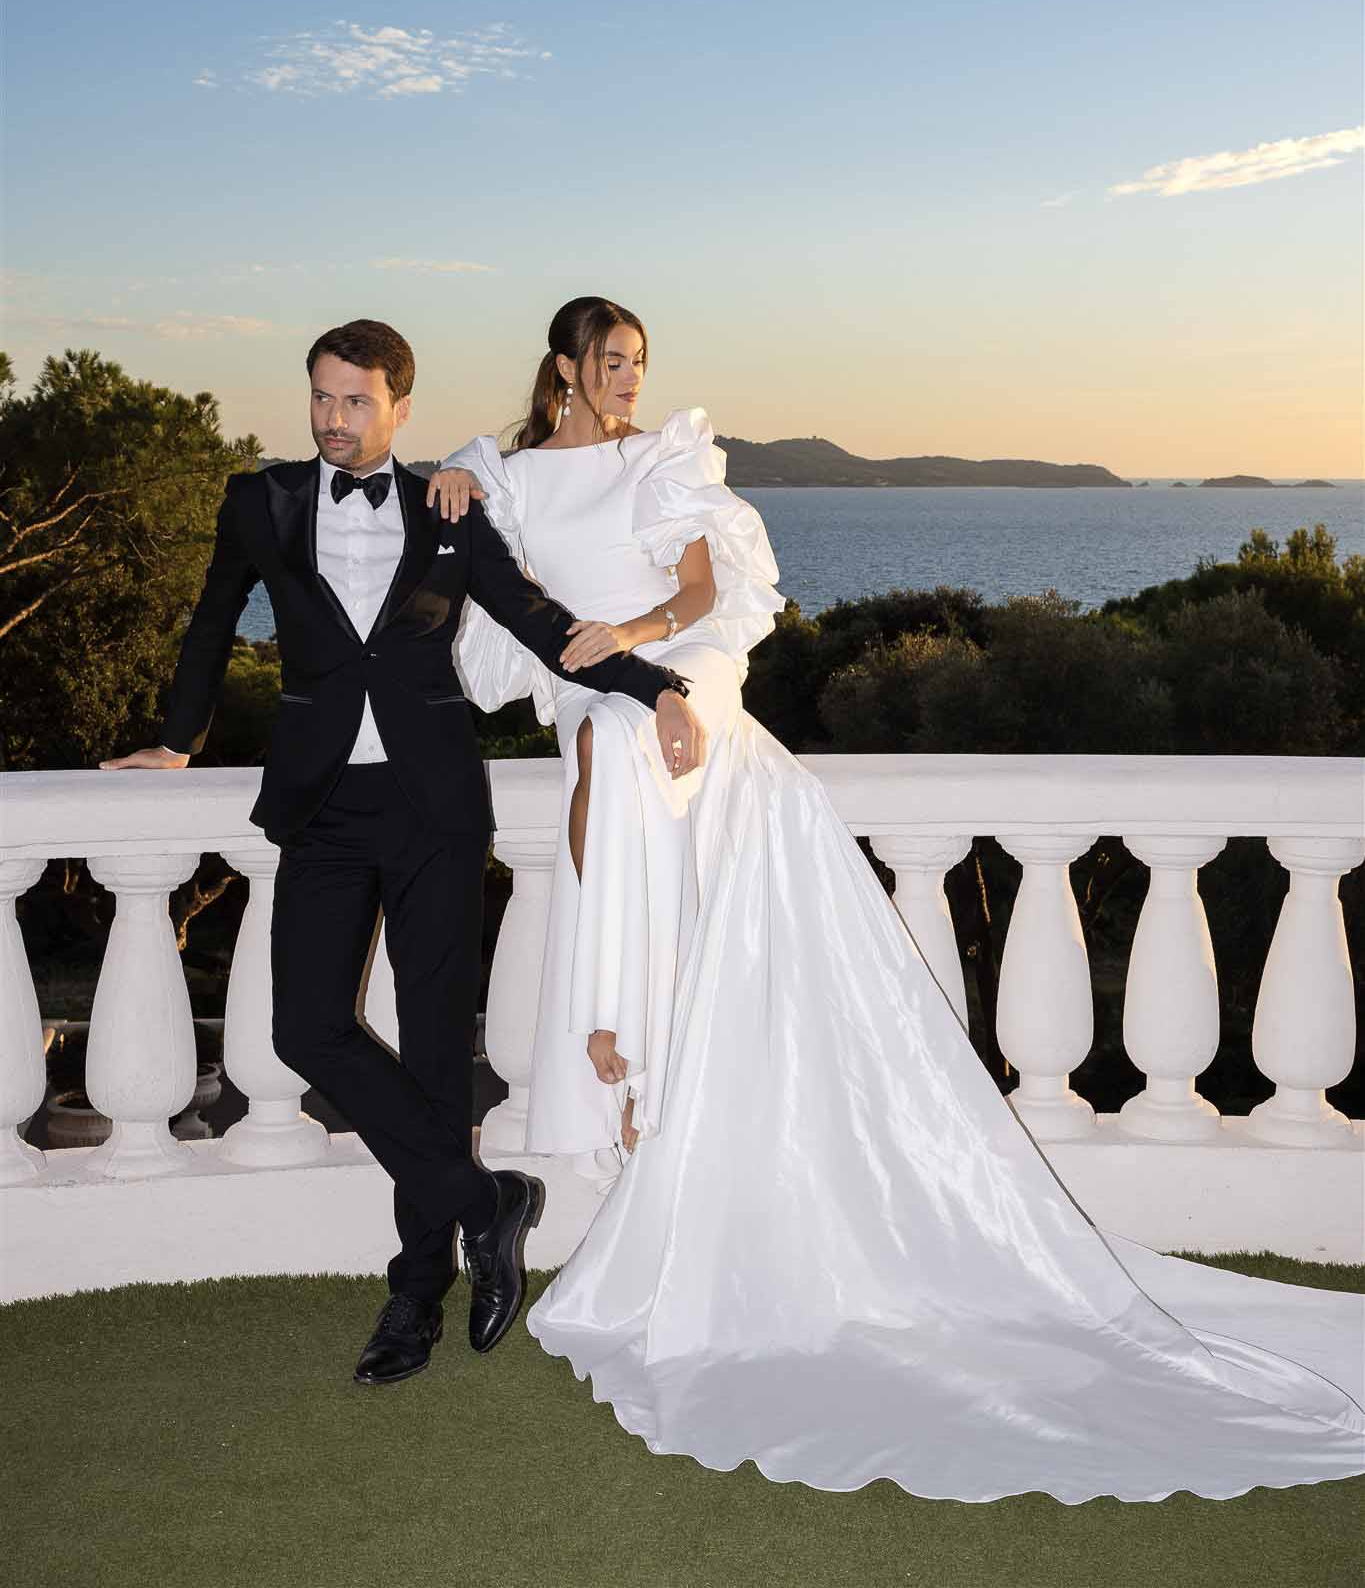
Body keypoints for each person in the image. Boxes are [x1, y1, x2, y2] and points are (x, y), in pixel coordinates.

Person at [428, 293, 1365, 1502]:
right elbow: (467, 521)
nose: (629, 382)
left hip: (670, 696)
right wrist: (454, 471)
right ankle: (648, 1166)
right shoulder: (504, 474)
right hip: (596, 719)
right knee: (623, 851)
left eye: (640, 363)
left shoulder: (664, 460)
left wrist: (638, 643)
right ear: (563, 366)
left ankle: (653, 1143)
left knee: (653, 855)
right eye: (610, 364)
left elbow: (712, 586)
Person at [101, 317, 704, 1390]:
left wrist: (657, 687)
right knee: (305, 1026)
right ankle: (489, 1203)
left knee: (433, 1053)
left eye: (355, 402)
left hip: (434, 808)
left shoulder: (445, 507)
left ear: (400, 408)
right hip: (323, 805)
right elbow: (207, 623)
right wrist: (179, 737)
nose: (334, 420)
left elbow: (536, 618)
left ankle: (415, 1291)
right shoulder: (264, 502)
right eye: (321, 399)